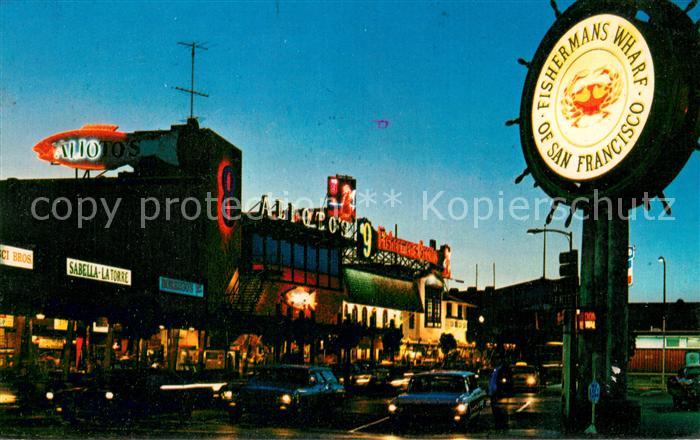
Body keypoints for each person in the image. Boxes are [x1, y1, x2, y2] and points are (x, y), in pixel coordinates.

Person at [489, 356, 509, 430]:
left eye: (496, 359)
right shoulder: (496, 369)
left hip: (497, 393)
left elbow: (501, 382)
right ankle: (499, 425)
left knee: (499, 410)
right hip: (494, 393)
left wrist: (498, 391)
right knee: (496, 410)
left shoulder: (502, 370)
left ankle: (501, 426)